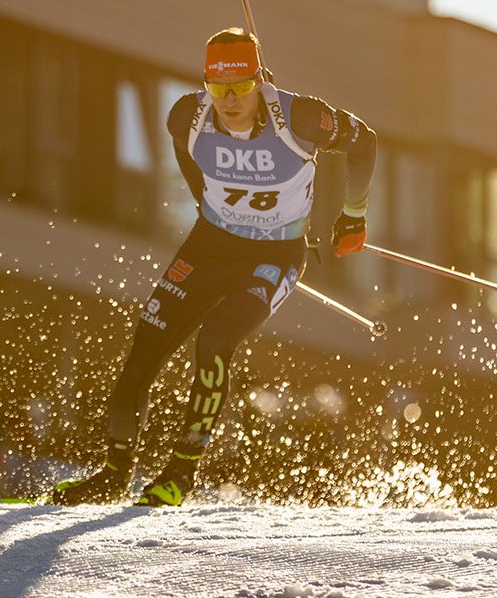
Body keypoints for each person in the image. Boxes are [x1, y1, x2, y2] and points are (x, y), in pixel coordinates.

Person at [51, 27, 376, 506]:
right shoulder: (187, 115)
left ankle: (180, 474)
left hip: (274, 255)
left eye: (240, 87)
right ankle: (114, 474)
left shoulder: (301, 116)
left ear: (259, 81)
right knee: (143, 349)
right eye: (217, 87)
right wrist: (208, 203)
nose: (228, 101)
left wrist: (353, 215)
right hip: (209, 246)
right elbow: (186, 156)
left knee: (215, 340)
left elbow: (364, 142)